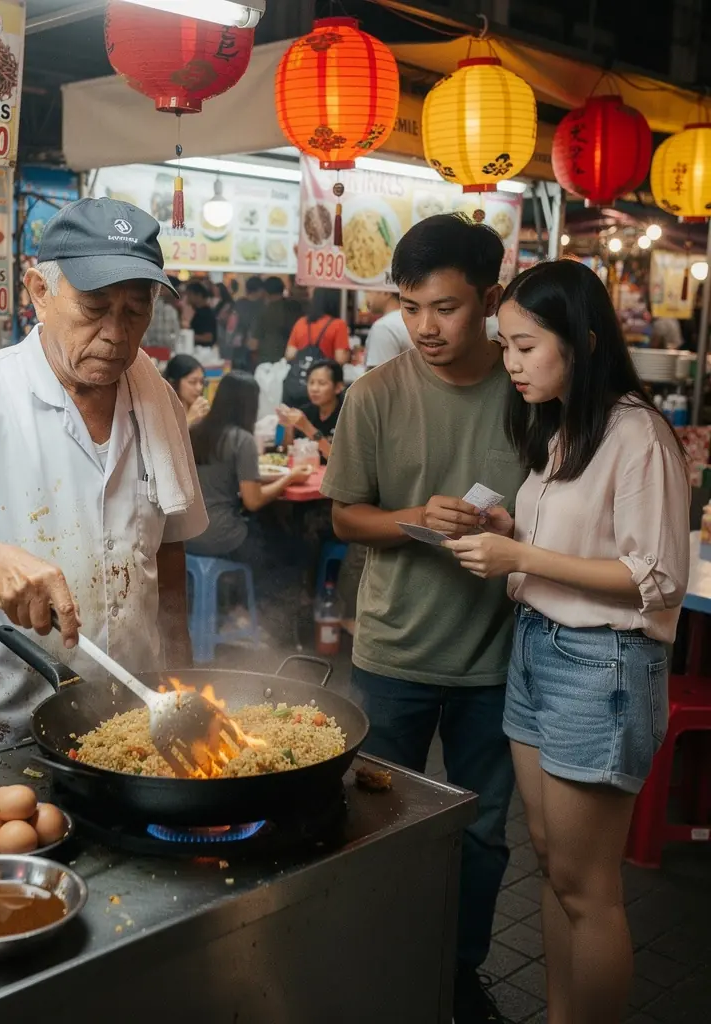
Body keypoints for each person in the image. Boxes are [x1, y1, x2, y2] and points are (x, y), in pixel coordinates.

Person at [446, 260, 690, 1024]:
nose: (510, 363)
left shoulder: (636, 432)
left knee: (589, 888)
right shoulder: (562, 428)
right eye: (505, 345)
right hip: (537, 649)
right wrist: (510, 532)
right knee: (553, 866)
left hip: (603, 666)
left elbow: (654, 577)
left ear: (581, 342)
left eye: (524, 346)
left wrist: (520, 558)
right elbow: (578, 545)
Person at [0, 198, 208, 749]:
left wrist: (180, 679)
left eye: (134, 311)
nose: (116, 334)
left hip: (130, 721)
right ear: (38, 291)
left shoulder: (161, 406)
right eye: (94, 307)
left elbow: (169, 550)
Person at [321, 214, 529, 1023]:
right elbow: (344, 519)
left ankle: (456, 974)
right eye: (409, 307)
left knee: (480, 836)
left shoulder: (527, 392)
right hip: (393, 655)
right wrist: (416, 515)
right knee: (376, 825)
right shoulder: (374, 395)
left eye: (443, 308)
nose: (424, 328)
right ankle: (375, 967)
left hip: (496, 660)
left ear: (490, 299)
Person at [186, 372, 310, 637]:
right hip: (221, 536)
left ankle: (234, 609)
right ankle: (268, 624)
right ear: (247, 404)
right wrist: (289, 478)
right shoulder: (241, 439)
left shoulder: (196, 431)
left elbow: (228, 473)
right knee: (289, 552)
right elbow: (253, 501)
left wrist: (271, 477)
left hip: (188, 536)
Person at [276, 358, 344, 463]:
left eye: (321, 383)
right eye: (311, 382)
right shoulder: (306, 411)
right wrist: (288, 427)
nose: (314, 389)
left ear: (338, 387)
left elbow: (340, 462)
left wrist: (307, 427)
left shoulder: (347, 415)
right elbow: (286, 453)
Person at [285, 288, 351, 365]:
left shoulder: (301, 322)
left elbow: (289, 354)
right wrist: (348, 353)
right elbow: (340, 359)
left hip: (302, 374)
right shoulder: (339, 325)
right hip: (325, 374)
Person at [249, 276, 304, 366]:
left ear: (266, 292)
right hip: (290, 358)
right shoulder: (295, 308)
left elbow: (254, 344)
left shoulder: (263, 312)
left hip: (267, 360)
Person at [225, 276, 264, 371]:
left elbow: (230, 327)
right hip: (255, 353)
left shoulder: (238, 305)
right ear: (260, 290)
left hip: (237, 350)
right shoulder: (262, 307)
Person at [364, 290, 412, 367]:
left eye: (369, 291)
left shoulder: (384, 327)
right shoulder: (412, 318)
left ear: (385, 292)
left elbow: (379, 375)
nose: (366, 297)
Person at [164, 353, 209, 426]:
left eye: (201, 382)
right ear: (174, 383)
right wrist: (189, 420)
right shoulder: (162, 413)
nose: (199, 388)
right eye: (192, 382)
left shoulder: (201, 410)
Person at [141, 277, 181, 352]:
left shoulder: (145, 307)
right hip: (164, 353)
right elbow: (175, 337)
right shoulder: (170, 310)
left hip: (147, 352)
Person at [185, 280, 217, 348]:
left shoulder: (206, 314)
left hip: (203, 352)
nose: (187, 298)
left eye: (189, 294)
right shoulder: (198, 312)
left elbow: (208, 337)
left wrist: (188, 336)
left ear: (199, 295)